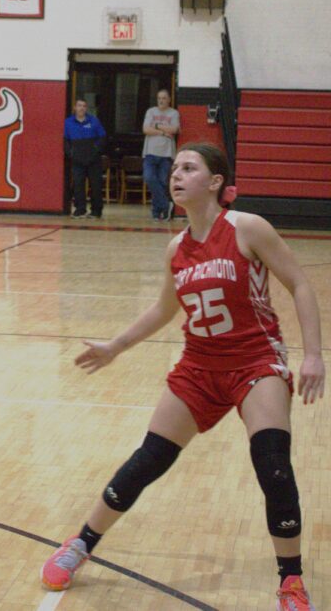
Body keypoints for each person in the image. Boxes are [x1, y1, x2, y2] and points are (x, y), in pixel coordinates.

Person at [41, 143, 324, 611]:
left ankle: (290, 580)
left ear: (215, 182)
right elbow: (163, 309)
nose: (176, 175)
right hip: (198, 367)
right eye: (174, 168)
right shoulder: (177, 247)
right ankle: (80, 544)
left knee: (272, 462)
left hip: (255, 362)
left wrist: (313, 355)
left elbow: (300, 283)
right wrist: (115, 347)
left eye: (188, 168)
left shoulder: (247, 228)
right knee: (147, 460)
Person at [63, 98, 106, 218]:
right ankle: (80, 209)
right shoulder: (68, 122)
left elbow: (102, 137)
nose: (81, 108)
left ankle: (97, 211)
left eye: (84, 106)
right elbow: (65, 140)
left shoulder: (94, 121)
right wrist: (70, 153)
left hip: (93, 159)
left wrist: (96, 150)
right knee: (78, 185)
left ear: (86, 109)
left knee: (96, 185)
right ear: (75, 108)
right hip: (77, 159)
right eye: (79, 105)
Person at [142, 88, 180, 220]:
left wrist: (156, 126)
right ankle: (166, 205)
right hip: (150, 152)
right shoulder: (150, 111)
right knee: (149, 178)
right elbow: (146, 129)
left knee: (163, 182)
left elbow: (174, 129)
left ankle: (157, 213)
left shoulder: (174, 113)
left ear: (169, 100)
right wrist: (163, 132)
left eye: (164, 98)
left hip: (167, 153)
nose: (161, 101)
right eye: (159, 98)